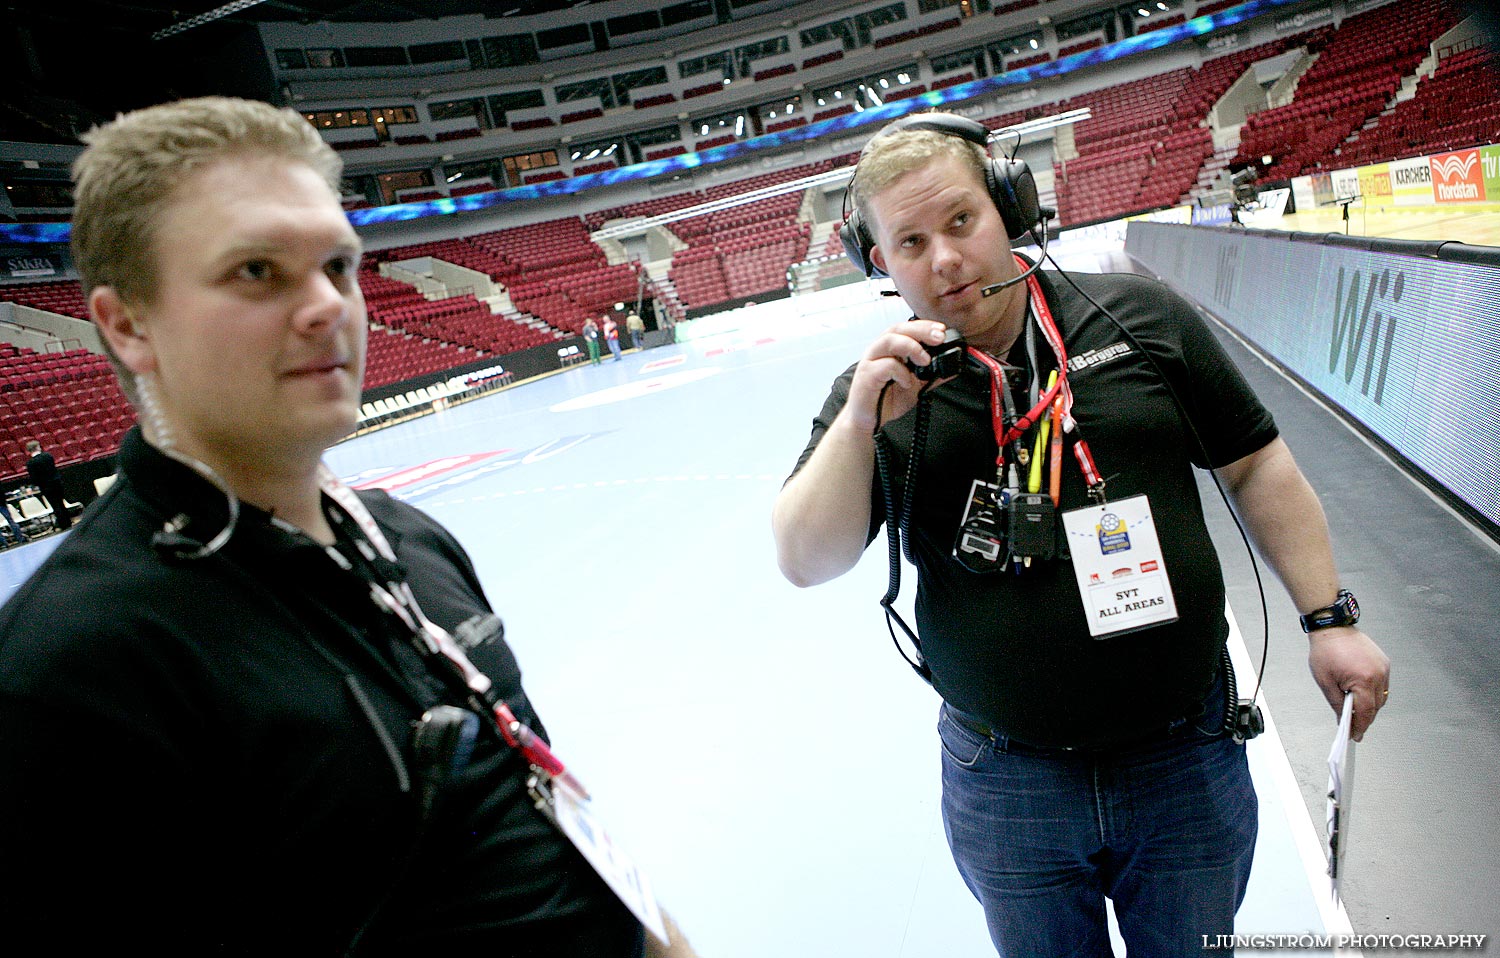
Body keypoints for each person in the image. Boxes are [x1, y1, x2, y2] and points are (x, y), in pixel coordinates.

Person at [0, 96, 697, 957]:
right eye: (258, 270)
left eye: (339, 264)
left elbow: (543, 800)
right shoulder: (74, 669)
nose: (328, 304)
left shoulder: (408, 539)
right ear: (127, 323)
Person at [772, 112, 1391, 955]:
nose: (945, 259)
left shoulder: (1139, 317)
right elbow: (806, 560)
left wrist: (1330, 619)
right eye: (911, 242)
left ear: (1008, 206)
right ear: (879, 264)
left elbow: (1255, 464)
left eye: (961, 221)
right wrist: (855, 429)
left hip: (1186, 761)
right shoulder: (880, 391)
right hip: (1007, 785)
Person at [23, 439, 72, 531]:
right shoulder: (48, 456)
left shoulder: (31, 463)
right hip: (56, 483)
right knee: (61, 504)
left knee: (55, 505)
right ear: (37, 447)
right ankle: (68, 521)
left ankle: (63, 524)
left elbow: (34, 478)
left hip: (46, 487)